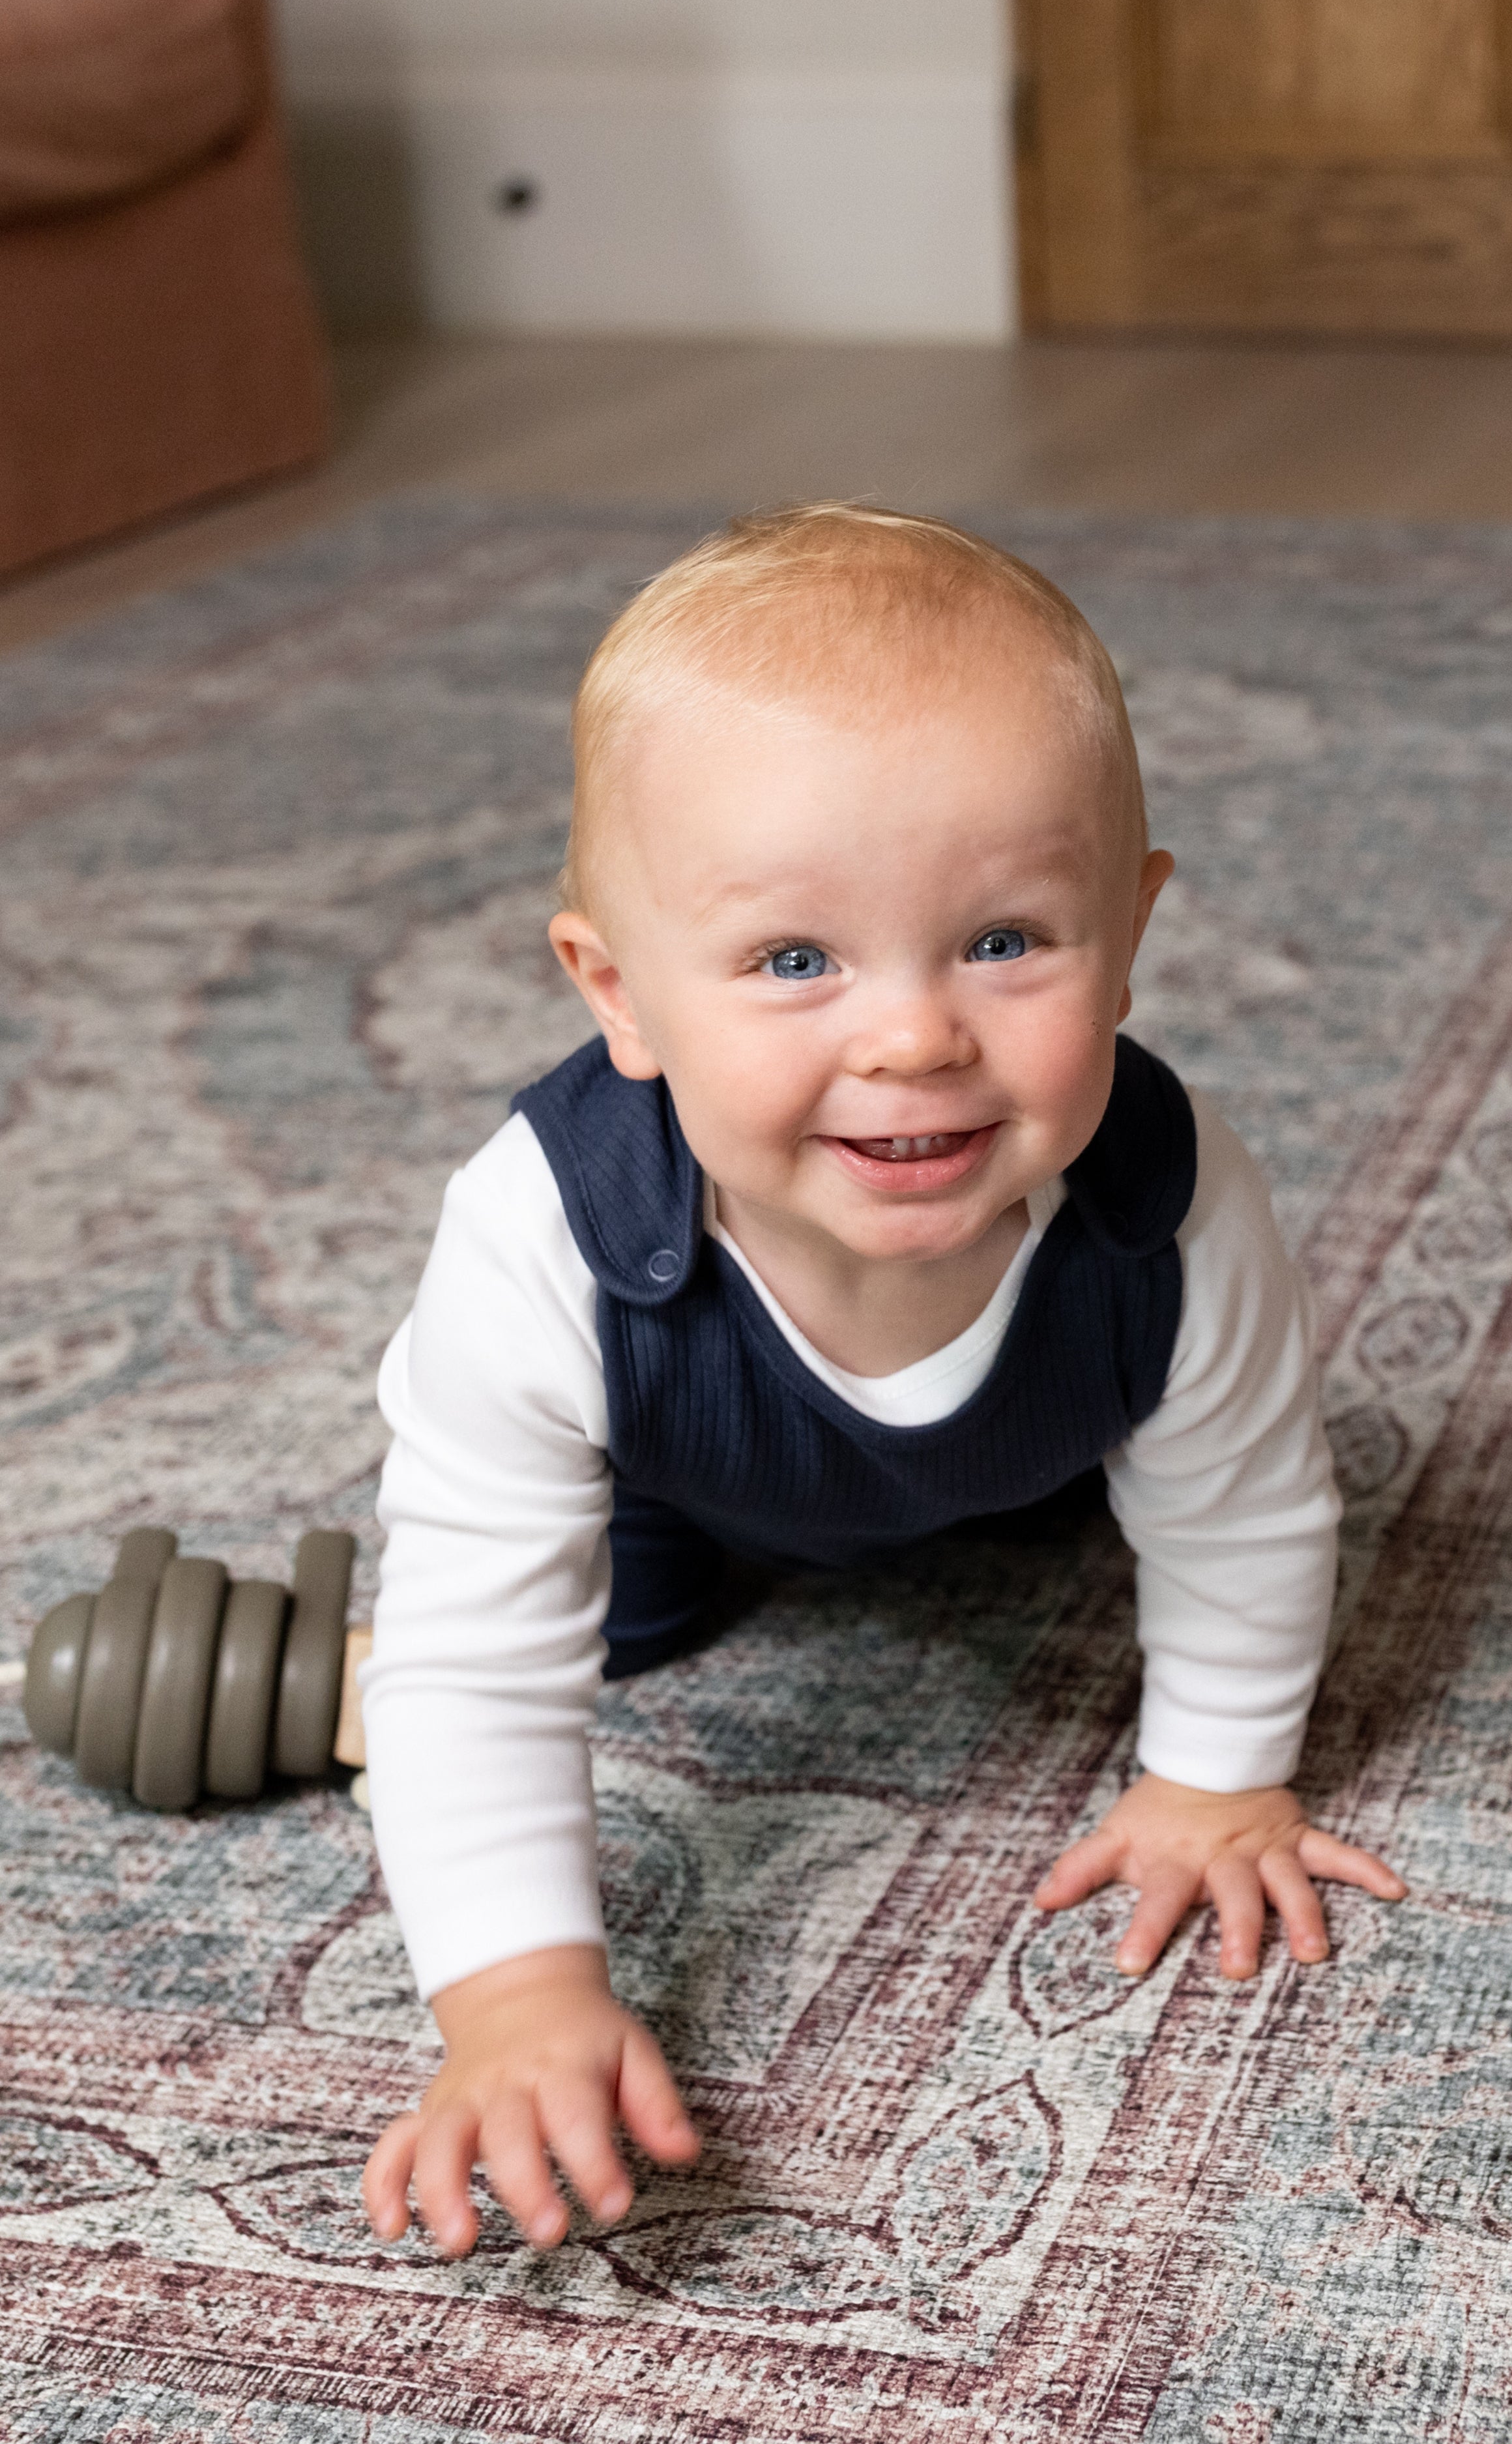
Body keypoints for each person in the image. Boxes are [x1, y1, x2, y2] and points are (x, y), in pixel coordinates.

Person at [358, 502, 1405, 2261]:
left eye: (1004, 939)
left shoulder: (1167, 1202)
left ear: (1132, 930)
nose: (915, 1034)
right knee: (579, 1643)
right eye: (792, 961)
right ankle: (339, 1681)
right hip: (678, 1470)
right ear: (622, 994)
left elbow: (1245, 1501)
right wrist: (518, 1997)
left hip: (1036, 1457)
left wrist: (1218, 1777)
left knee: (1099, 1514)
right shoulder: (545, 1237)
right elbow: (486, 1645)